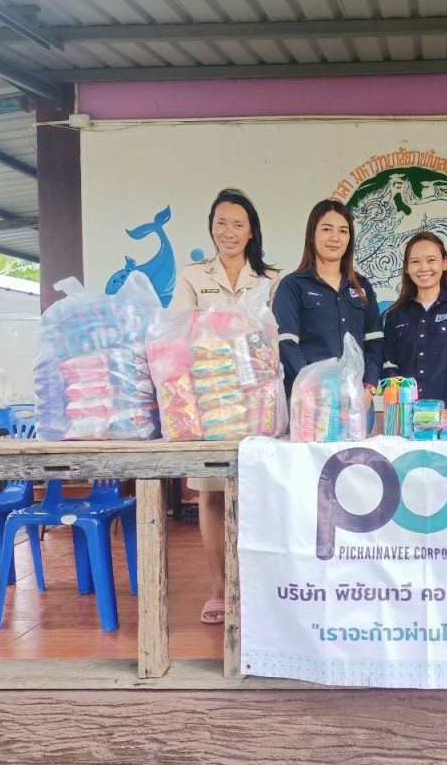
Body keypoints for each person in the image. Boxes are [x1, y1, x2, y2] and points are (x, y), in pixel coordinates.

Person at [169, 187, 279, 625]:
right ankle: (219, 590)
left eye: (238, 224)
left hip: (258, 402)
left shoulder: (271, 279)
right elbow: (177, 332)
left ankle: (260, 590)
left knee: (260, 495)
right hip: (210, 399)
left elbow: (275, 338)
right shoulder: (193, 276)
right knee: (212, 495)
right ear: (211, 228)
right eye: (221, 223)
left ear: (251, 231)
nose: (229, 232)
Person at [272, 199, 383, 407]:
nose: (335, 238)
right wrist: (315, 389)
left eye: (343, 231)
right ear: (311, 235)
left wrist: (369, 388)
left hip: (356, 402)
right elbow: (286, 344)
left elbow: (375, 343)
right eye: (326, 229)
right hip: (310, 404)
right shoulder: (292, 286)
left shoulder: (363, 287)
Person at [382, 231, 447, 408]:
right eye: (415, 261)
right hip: (406, 414)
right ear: (406, 268)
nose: (423, 268)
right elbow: (389, 367)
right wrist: (403, 407)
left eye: (431, 260)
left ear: (445, 263)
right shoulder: (395, 315)